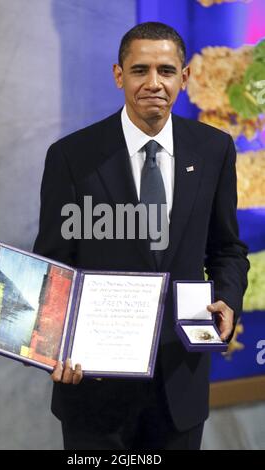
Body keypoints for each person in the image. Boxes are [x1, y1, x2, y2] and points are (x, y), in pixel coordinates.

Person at [33, 22, 249, 450]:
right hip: (93, 389)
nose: (154, 83)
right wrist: (52, 347)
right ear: (119, 75)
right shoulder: (71, 157)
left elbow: (227, 248)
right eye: (140, 70)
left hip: (179, 389)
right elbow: (52, 266)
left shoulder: (214, 149)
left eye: (166, 71)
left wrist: (228, 296)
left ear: (184, 78)